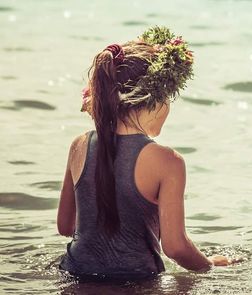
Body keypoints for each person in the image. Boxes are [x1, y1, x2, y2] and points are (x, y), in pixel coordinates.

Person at [57, 26, 233, 280]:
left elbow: (65, 226)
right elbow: (174, 247)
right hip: (137, 280)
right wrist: (210, 265)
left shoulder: (79, 145)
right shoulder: (167, 161)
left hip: (74, 274)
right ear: (156, 99)